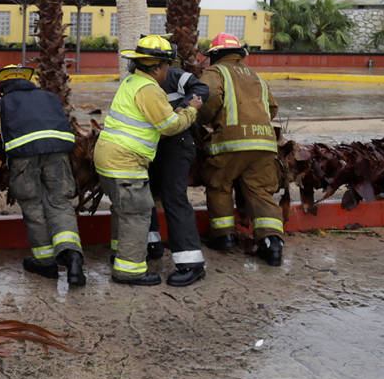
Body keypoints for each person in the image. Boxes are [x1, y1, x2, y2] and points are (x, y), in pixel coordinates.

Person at [93, 35, 202, 286]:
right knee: (137, 212)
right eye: (167, 66)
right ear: (156, 67)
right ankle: (129, 271)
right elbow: (169, 126)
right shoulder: (150, 89)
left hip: (107, 157)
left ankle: (120, 255)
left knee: (122, 209)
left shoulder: (131, 82)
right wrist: (191, 109)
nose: (168, 71)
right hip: (125, 161)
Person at [0, 64, 86, 286]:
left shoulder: (5, 102)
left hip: (24, 157)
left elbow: (1, 136)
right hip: (58, 153)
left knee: (33, 205)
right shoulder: (49, 96)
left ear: (3, 88)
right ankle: (73, 257)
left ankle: (46, 263)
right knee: (60, 203)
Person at [198, 33, 284, 265]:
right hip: (265, 145)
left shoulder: (216, 72)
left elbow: (209, 99)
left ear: (214, 55)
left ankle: (224, 237)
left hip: (230, 144)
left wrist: (202, 119)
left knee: (219, 185)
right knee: (260, 191)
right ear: (240, 54)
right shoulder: (257, 76)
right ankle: (272, 244)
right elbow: (272, 107)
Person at [146, 59, 210, 286]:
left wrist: (183, 107)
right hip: (152, 145)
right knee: (146, 196)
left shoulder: (173, 75)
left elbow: (201, 89)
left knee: (174, 197)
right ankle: (151, 246)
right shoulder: (139, 81)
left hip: (177, 143)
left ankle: (191, 264)